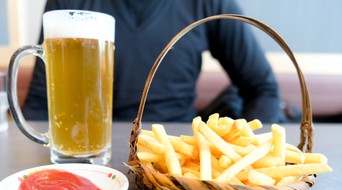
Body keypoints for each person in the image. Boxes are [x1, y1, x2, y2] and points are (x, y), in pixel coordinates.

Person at [23, 0, 283, 123]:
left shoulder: (209, 3)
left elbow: (263, 89)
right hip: (92, 154)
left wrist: (244, 153)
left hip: (179, 159)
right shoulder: (66, 3)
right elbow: (39, 103)